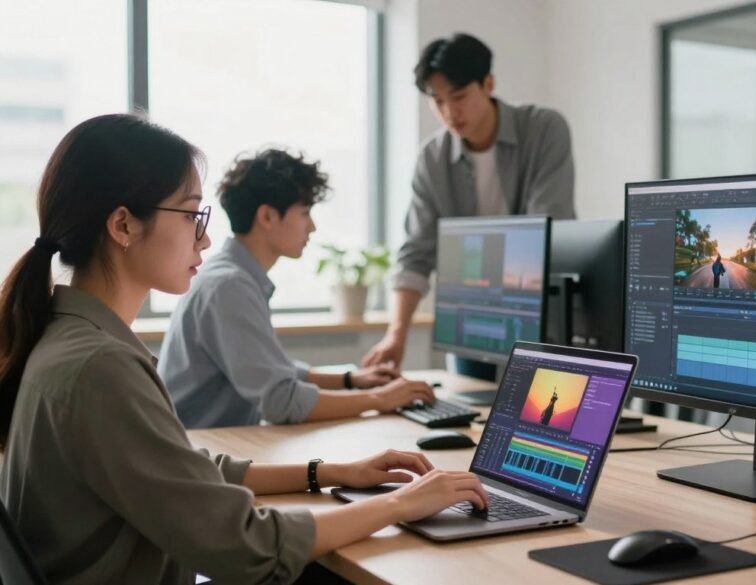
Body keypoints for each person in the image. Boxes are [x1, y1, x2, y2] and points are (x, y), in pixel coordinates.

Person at [0, 114, 487, 584]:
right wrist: (401, 504)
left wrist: (336, 472)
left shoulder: (72, 338)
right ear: (124, 226)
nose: (206, 236)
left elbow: (187, 473)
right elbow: (246, 545)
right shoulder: (99, 368)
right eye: (191, 214)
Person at [159, 149, 435, 429]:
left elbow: (273, 370)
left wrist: (350, 380)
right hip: (199, 452)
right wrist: (378, 399)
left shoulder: (232, 277)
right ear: (266, 216)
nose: (312, 227)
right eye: (304, 212)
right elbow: (281, 401)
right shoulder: (229, 287)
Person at [361, 33, 576, 370]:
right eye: (438, 100)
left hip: (539, 319)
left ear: (488, 83)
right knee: (465, 409)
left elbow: (549, 228)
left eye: (459, 96)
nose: (449, 112)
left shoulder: (543, 129)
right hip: (471, 323)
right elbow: (416, 253)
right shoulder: (432, 158)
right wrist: (396, 334)